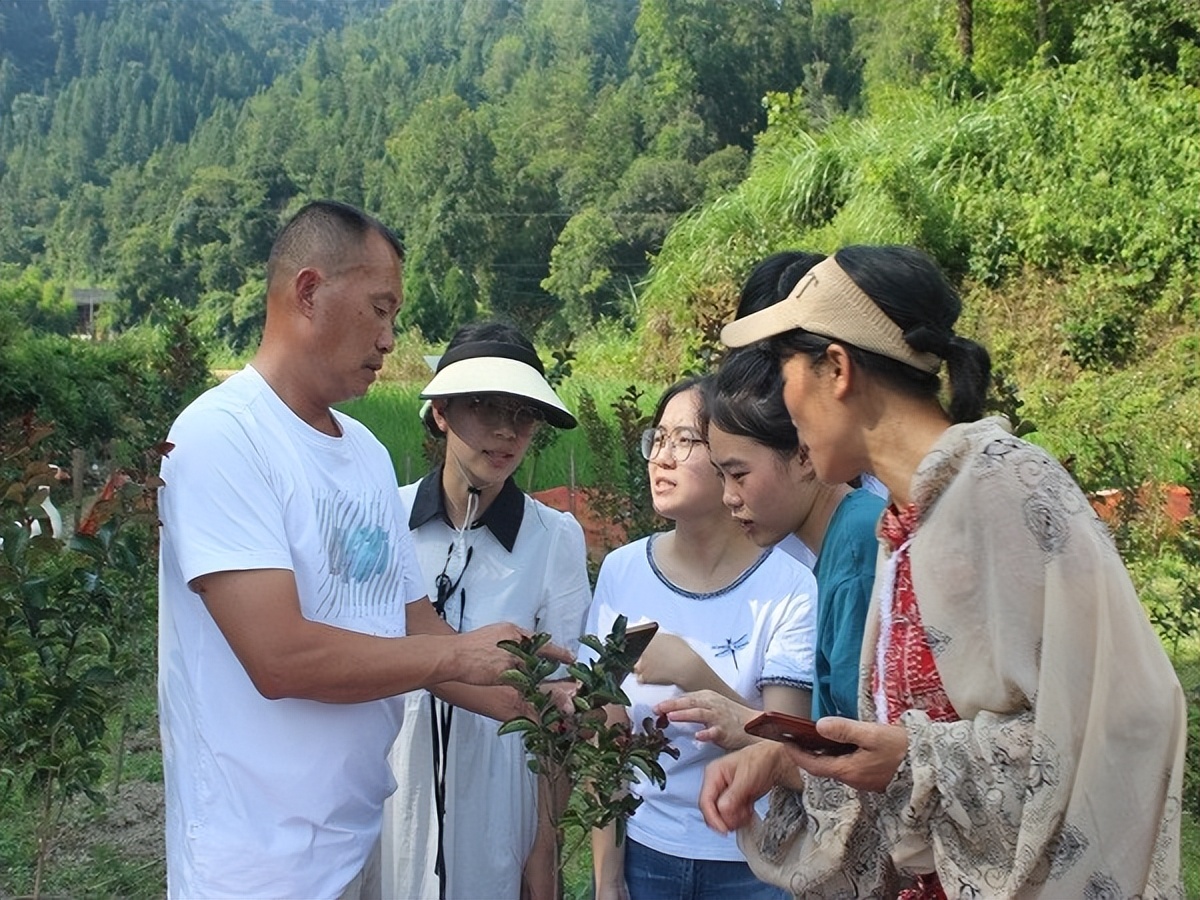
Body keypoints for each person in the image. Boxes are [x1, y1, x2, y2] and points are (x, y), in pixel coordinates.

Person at [698, 245, 1185, 897]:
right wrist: (792, 761)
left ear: (836, 369)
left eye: (786, 372)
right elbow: (910, 761)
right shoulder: (901, 527)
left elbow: (1129, 719)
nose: (784, 408)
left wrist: (916, 759)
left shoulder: (1009, 486)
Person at [157, 200, 568, 900]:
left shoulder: (368, 457)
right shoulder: (221, 439)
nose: (389, 338)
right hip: (257, 866)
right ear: (309, 291)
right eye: (380, 309)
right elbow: (280, 659)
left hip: (355, 842)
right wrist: (463, 652)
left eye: (394, 315)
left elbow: (410, 627)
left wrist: (552, 707)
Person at [380, 321, 591, 900]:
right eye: (482, 406)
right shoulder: (385, 517)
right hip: (389, 782)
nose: (504, 432)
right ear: (441, 411)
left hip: (501, 791)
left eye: (523, 414)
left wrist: (543, 847)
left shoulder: (555, 538)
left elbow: (560, 704)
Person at [587, 377, 818, 900]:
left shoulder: (789, 585)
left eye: (684, 441)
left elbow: (787, 751)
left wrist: (695, 673)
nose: (661, 458)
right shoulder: (623, 572)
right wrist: (606, 879)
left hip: (754, 861)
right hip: (647, 852)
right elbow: (607, 739)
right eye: (658, 438)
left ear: (729, 458)